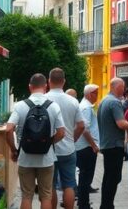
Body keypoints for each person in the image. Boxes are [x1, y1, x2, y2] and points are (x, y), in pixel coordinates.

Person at [5, 73, 66, 209]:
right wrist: (48, 143)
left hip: (25, 157)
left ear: (30, 87)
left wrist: (14, 150)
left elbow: (8, 129)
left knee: (26, 195)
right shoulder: (53, 106)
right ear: (46, 86)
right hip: (47, 158)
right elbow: (61, 133)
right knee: (46, 195)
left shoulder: (20, 105)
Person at [46, 68, 85, 209]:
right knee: (68, 184)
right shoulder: (73, 101)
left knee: (50, 186)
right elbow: (81, 125)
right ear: (64, 82)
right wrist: (72, 139)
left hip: (49, 150)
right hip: (68, 149)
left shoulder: (44, 100)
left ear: (49, 81)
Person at [97, 78, 128, 209]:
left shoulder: (103, 100)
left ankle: (105, 204)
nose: (124, 90)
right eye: (123, 87)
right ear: (117, 87)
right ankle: (108, 205)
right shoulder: (115, 102)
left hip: (106, 144)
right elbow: (121, 123)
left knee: (108, 177)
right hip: (114, 145)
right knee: (114, 177)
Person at [76, 84, 100, 209]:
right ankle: (83, 204)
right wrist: (94, 145)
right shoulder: (85, 107)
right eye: (96, 93)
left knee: (84, 177)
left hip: (85, 147)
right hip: (86, 148)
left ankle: (82, 202)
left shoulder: (86, 106)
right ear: (90, 94)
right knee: (86, 177)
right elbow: (85, 129)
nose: (97, 95)